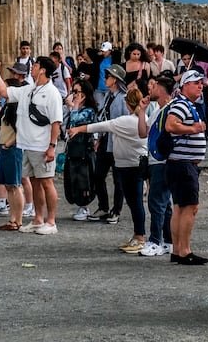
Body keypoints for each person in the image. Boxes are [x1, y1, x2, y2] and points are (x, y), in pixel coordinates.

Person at [70, 88, 149, 253]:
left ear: (127, 103)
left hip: (129, 166)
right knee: (135, 203)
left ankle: (140, 236)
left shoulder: (126, 121)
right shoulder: (142, 118)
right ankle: (137, 235)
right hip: (133, 164)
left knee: (135, 203)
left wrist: (78, 129)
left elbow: (101, 126)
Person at [0, 55, 63, 235]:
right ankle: (38, 219)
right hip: (26, 144)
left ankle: (51, 221)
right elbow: (4, 92)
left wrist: (52, 146)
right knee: (34, 182)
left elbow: (56, 122)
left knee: (47, 182)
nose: (32, 68)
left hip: (42, 144)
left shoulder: (52, 93)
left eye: (35, 65)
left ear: (43, 70)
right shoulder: (29, 90)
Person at [166, 70, 208, 264]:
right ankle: (184, 251)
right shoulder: (181, 105)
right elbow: (171, 125)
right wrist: (194, 129)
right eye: (195, 83)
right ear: (185, 85)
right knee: (189, 207)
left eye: (201, 83)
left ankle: (177, 249)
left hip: (180, 163)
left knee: (179, 207)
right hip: (183, 164)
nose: (200, 86)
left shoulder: (186, 104)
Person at [138, 74, 175, 257]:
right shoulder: (156, 110)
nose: (149, 90)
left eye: (153, 86)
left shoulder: (169, 110)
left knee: (156, 202)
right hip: (154, 160)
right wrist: (142, 112)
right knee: (165, 204)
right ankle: (168, 240)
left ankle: (155, 240)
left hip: (162, 161)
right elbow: (143, 133)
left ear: (160, 89)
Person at [0, 62, 27, 230]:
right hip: (4, 146)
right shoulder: (7, 107)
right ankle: (12, 218)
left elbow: (22, 129)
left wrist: (10, 144)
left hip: (12, 147)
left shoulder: (17, 107)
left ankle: (18, 219)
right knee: (8, 186)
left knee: (15, 184)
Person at [91, 64, 129, 223]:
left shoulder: (123, 98)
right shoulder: (107, 96)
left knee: (118, 178)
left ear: (115, 80)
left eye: (108, 77)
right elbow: (103, 118)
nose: (105, 79)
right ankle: (103, 206)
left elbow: (126, 120)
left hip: (118, 141)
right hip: (106, 139)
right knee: (98, 175)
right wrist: (98, 137)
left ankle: (116, 209)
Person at [63, 81, 98, 221]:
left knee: (83, 178)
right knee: (72, 176)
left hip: (84, 149)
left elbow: (76, 119)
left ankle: (84, 205)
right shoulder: (76, 109)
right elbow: (67, 124)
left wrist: (74, 106)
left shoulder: (89, 111)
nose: (73, 95)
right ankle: (79, 204)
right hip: (73, 149)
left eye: (76, 92)